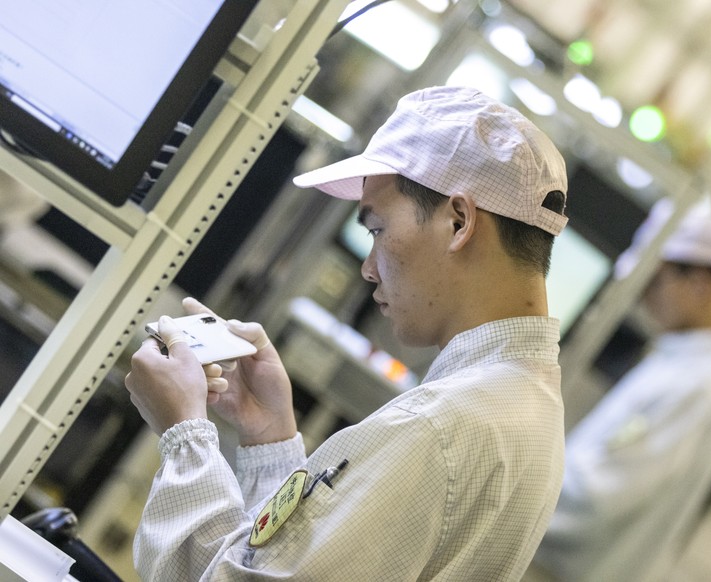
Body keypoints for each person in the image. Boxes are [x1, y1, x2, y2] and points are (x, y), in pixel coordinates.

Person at [125, 85, 569, 581]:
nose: (369, 268)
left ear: (459, 221)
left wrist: (184, 434)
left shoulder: (436, 426)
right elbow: (282, 567)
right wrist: (269, 439)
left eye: (377, 229)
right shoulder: (528, 406)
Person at [527, 199, 711, 582]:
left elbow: (596, 497)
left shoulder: (704, 384)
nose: (643, 296)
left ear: (700, 284)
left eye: (655, 280)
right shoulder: (689, 363)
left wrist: (504, 482)